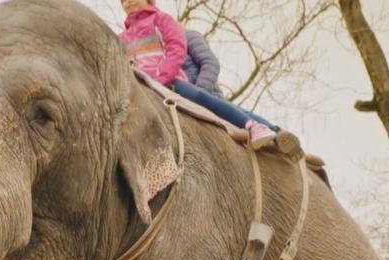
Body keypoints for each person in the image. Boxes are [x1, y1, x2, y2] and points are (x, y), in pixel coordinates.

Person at [118, 0, 277, 149]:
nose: (128, 2)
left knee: (200, 98)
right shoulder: (121, 38)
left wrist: (162, 77)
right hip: (143, 88)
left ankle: (254, 125)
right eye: (123, 0)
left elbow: (176, 47)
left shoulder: (161, 20)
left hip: (169, 81)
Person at [182, 29, 223, 98]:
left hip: (208, 99)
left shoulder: (188, 35)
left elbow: (210, 63)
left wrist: (200, 93)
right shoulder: (160, 49)